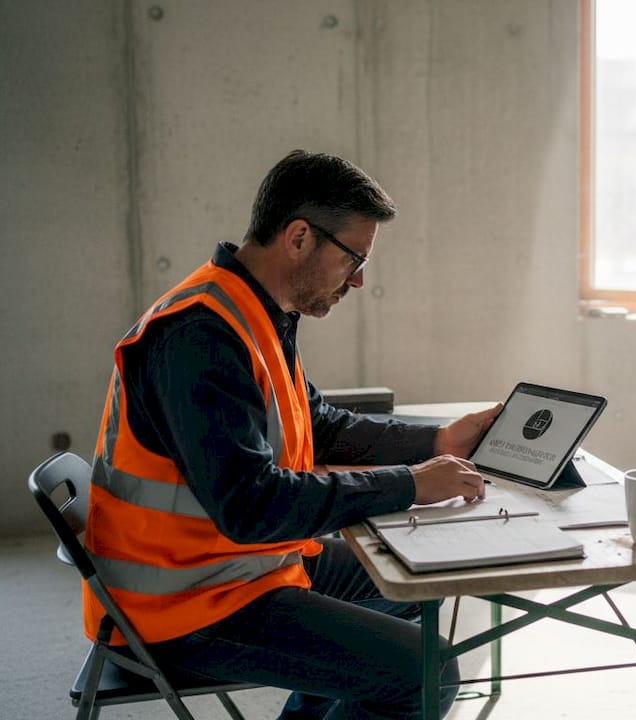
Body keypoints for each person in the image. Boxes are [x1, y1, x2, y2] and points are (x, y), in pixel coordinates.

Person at [84, 149, 499, 719]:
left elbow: (320, 425)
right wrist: (407, 485)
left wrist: (437, 443)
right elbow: (252, 506)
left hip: (237, 569)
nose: (357, 279)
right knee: (425, 671)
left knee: (411, 580)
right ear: (299, 237)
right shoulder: (199, 337)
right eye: (353, 257)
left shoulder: (256, 312)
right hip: (182, 606)